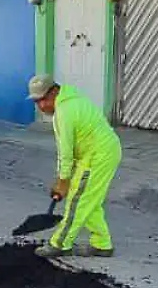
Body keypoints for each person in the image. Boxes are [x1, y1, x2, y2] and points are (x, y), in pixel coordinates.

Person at [26, 74, 122, 258]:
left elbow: (65, 153)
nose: (41, 106)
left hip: (97, 155)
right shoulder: (72, 98)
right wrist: (65, 179)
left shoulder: (64, 112)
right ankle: (102, 244)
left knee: (78, 201)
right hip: (99, 151)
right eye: (36, 102)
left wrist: (63, 181)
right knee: (88, 200)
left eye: (43, 100)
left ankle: (60, 243)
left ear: (54, 92)